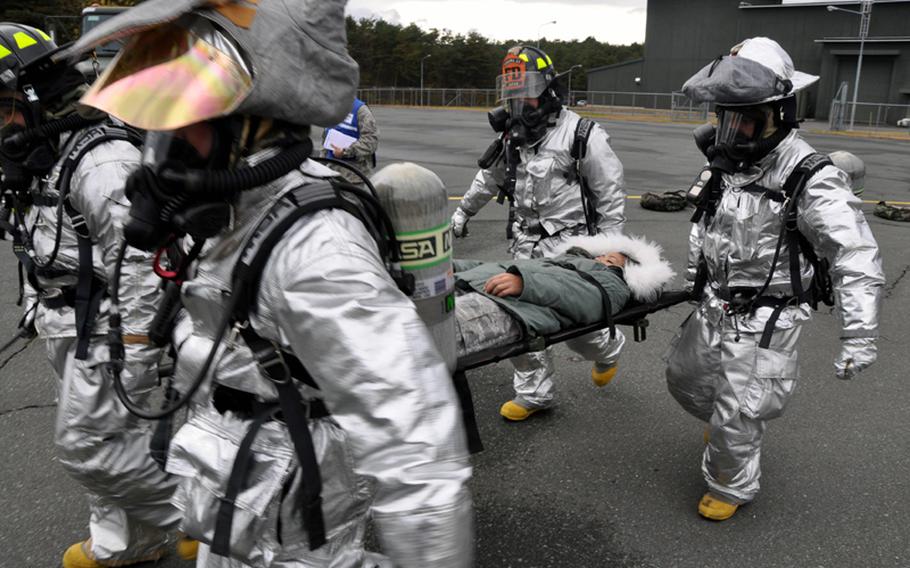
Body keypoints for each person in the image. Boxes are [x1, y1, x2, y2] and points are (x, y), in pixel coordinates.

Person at [70, 1, 473, 566]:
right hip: (239, 485)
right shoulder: (227, 210)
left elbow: (417, 449)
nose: (163, 136)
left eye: (188, 111)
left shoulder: (316, 249)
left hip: (300, 514)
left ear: (252, 118)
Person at [0, 22, 197, 567]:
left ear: (35, 101)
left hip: (108, 326)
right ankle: (128, 539)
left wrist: (135, 356)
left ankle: (194, 519)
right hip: (66, 320)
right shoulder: (38, 156)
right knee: (111, 443)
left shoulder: (102, 161)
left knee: (95, 445)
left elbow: (142, 265)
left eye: (2, 108)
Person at [668, 37, 884, 521]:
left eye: (748, 118)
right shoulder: (728, 167)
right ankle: (727, 430)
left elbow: (855, 254)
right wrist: (693, 283)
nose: (735, 129)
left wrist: (860, 335)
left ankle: (730, 484)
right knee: (685, 378)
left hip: (770, 316)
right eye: (727, 116)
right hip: (716, 305)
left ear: (780, 112)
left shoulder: (810, 175)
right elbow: (706, 228)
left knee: (739, 410)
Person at [451, 45, 627, 421]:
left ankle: (607, 348)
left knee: (578, 328)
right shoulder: (511, 137)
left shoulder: (582, 134)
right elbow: (488, 179)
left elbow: (609, 194)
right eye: (511, 89)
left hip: (571, 249)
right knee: (521, 322)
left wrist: (612, 252)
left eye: (526, 87)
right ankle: (534, 394)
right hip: (524, 245)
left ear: (548, 86)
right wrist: (462, 212)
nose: (518, 97)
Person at [453, 233, 674, 359]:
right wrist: (453, 267)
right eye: (603, 256)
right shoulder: (562, 261)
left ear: (628, 273)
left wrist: (526, 284)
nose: (601, 259)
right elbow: (498, 266)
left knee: (431, 337)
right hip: (482, 287)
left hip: (514, 308)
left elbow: (581, 296)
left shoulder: (613, 284)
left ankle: (537, 396)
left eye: (610, 261)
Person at [322, 96, 379, 184]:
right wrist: (321, 164)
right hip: (331, 174)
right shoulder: (332, 108)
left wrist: (345, 152)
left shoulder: (360, 110)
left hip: (354, 178)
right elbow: (325, 139)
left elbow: (371, 141)